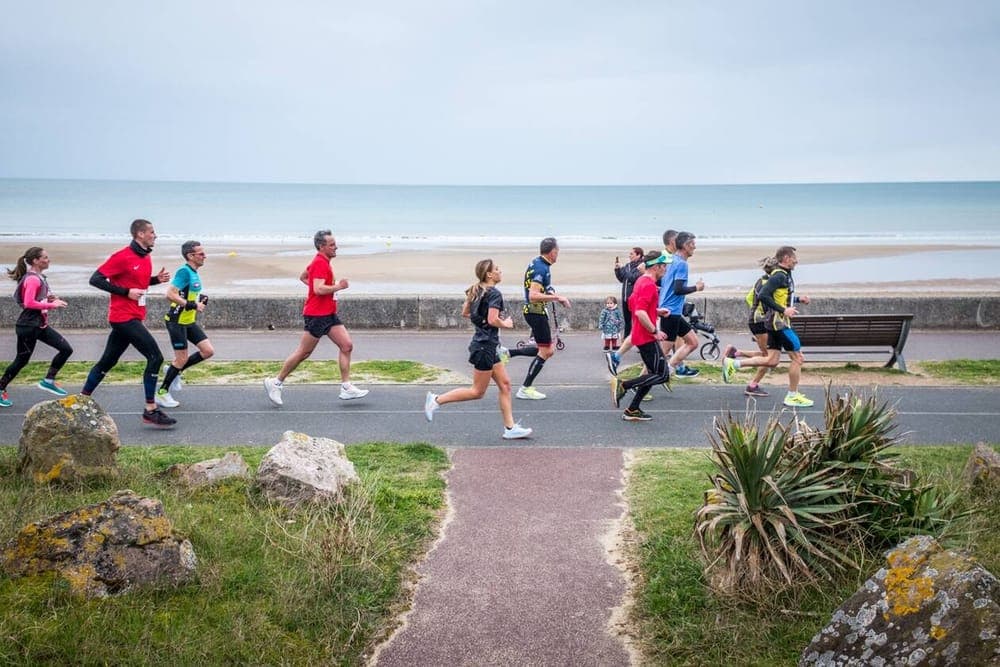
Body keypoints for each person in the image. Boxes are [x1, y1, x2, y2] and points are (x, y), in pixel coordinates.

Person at [81, 219, 175, 427]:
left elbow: (135, 282)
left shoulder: (145, 256)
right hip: (123, 317)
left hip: (134, 315)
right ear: (140, 234)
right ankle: (150, 409)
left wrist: (154, 280)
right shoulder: (122, 256)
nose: (155, 235)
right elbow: (95, 279)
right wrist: (125, 293)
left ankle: (82, 400)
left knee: (107, 362)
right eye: (151, 232)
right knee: (155, 357)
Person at [424, 259, 532, 439]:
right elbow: (492, 320)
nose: (500, 271)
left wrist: (483, 319)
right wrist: (505, 323)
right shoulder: (494, 293)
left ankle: (510, 429)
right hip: (484, 347)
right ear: (489, 274)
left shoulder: (477, 290)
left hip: (487, 345)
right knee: (477, 391)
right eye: (497, 269)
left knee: (505, 385)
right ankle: (435, 400)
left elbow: (465, 313)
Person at [264, 230, 369, 406]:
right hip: (316, 315)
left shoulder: (321, 261)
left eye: (335, 243)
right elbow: (319, 289)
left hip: (328, 313)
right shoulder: (320, 263)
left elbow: (303, 277)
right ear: (322, 246)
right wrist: (338, 286)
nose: (336, 247)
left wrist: (321, 288)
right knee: (303, 352)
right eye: (332, 244)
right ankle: (276, 383)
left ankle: (346, 387)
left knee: (347, 346)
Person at [722, 246, 814, 408]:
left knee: (771, 360)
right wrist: (784, 310)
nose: (796, 261)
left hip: (772, 324)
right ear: (786, 258)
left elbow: (781, 297)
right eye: (793, 258)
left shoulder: (784, 275)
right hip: (779, 324)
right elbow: (764, 295)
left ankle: (734, 364)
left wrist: (798, 300)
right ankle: (792, 395)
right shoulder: (779, 276)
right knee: (798, 358)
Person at [0, 247, 73, 407]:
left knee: (66, 349)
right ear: (35, 261)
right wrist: (52, 304)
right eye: (45, 257)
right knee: (21, 360)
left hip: (38, 325)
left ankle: (48, 380)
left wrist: (49, 298)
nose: (48, 260)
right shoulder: (32, 279)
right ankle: (1, 388)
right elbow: (28, 303)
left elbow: (37, 298)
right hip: (28, 326)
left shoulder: (39, 277)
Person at [610, 251, 672, 420]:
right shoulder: (649, 285)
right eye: (664, 266)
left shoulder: (640, 281)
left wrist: (656, 311)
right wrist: (655, 331)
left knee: (652, 373)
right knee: (662, 375)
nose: (665, 269)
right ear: (656, 267)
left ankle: (632, 409)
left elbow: (632, 304)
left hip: (640, 334)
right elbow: (639, 312)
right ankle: (623, 385)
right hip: (646, 337)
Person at [155, 240, 215, 408]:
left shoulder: (194, 272)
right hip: (176, 321)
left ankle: (173, 370)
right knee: (181, 358)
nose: (205, 256)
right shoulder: (184, 271)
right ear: (191, 256)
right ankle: (162, 392)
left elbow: (186, 293)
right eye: (201, 254)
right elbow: (170, 294)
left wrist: (200, 298)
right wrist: (193, 305)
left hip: (188, 321)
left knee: (208, 351)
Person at [516, 237, 571, 400]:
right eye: (557, 252)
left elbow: (543, 288)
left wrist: (552, 293)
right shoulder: (541, 268)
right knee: (547, 351)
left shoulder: (538, 263)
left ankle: (509, 353)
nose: (558, 255)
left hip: (535, 312)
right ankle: (525, 388)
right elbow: (533, 295)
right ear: (552, 252)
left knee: (545, 350)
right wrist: (558, 298)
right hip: (535, 312)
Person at [722, 256, 779, 397]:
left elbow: (749, 298)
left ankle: (736, 353)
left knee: (768, 356)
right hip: (762, 322)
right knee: (768, 358)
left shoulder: (760, 280)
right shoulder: (772, 283)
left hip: (755, 320)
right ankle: (752, 384)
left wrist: (756, 310)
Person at [658, 231, 705, 378]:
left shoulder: (671, 260)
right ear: (685, 245)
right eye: (692, 244)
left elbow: (666, 284)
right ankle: (637, 383)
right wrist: (697, 287)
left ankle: (671, 368)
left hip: (672, 311)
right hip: (670, 312)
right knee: (660, 354)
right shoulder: (682, 264)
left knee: (693, 342)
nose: (694, 247)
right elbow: (678, 289)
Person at [606, 247, 643, 374]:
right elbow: (623, 279)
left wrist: (625, 270)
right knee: (627, 321)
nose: (630, 256)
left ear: (639, 255)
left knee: (637, 321)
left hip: (636, 299)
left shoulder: (641, 266)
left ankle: (639, 344)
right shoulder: (628, 266)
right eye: (629, 254)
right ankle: (625, 343)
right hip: (626, 297)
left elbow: (633, 278)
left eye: (632, 254)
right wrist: (617, 269)